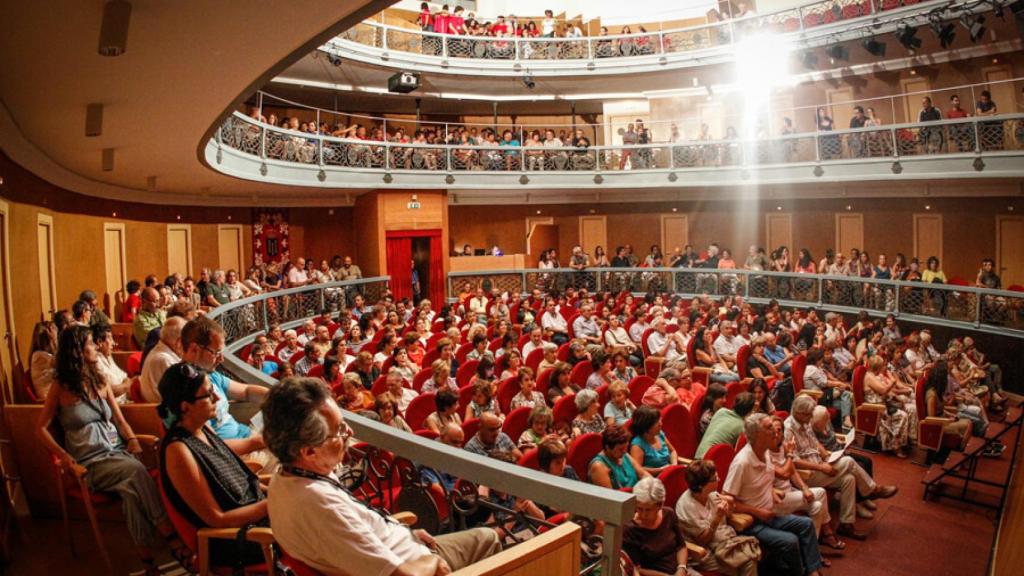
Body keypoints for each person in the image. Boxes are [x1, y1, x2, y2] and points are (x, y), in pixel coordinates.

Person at [262, 378, 502, 575]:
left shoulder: (283, 478)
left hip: (403, 545)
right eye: (340, 430)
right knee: (489, 538)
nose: (350, 433)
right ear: (309, 451)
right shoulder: (322, 506)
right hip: (416, 564)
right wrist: (431, 563)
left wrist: (404, 532)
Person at [36, 326, 193, 574]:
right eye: (90, 343)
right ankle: (171, 538)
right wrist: (64, 456)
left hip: (117, 453)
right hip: (89, 462)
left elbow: (119, 420)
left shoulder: (100, 381)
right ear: (77, 350)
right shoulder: (60, 388)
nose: (96, 347)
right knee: (135, 471)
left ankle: (147, 562)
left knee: (131, 490)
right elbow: (41, 429)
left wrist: (131, 438)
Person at [157, 363, 267, 568]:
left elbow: (243, 480)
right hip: (240, 540)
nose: (217, 399)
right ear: (185, 406)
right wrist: (273, 503)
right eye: (208, 395)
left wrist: (280, 492)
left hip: (257, 518)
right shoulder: (178, 451)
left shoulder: (202, 428)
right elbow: (217, 519)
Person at [723, 413, 823, 576]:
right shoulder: (742, 463)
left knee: (806, 525)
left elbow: (762, 479)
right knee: (790, 541)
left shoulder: (766, 451)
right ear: (756, 435)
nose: (776, 432)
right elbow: (727, 501)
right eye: (769, 428)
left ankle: (813, 571)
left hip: (771, 514)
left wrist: (771, 490)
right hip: (752, 523)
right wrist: (757, 512)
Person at [785, 396, 897, 540]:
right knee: (849, 461)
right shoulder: (788, 429)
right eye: (809, 414)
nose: (811, 417)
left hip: (820, 464)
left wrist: (826, 455)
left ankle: (846, 524)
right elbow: (793, 461)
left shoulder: (804, 422)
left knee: (849, 479)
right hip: (808, 474)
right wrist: (821, 467)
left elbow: (815, 442)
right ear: (799, 413)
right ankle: (872, 490)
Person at [178, 317, 268, 441]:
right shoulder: (183, 386)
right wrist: (262, 441)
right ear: (194, 349)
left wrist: (277, 398)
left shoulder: (210, 374)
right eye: (216, 353)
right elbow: (212, 448)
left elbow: (246, 391)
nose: (221, 360)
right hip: (241, 451)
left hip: (247, 435)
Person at [623, 477, 700, 576]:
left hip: (681, 570)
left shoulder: (669, 514)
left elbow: (681, 546)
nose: (643, 514)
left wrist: (681, 568)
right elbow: (636, 569)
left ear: (660, 505)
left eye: (648, 510)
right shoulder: (630, 529)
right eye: (639, 508)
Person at [863, 355, 913, 457]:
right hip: (875, 408)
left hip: (882, 405)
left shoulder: (874, 375)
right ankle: (895, 446)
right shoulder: (869, 377)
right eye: (881, 366)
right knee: (902, 416)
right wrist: (893, 382)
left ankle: (901, 443)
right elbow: (883, 390)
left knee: (903, 412)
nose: (882, 368)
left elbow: (885, 390)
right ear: (877, 367)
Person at [589, 425, 650, 490]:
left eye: (626, 447)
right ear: (608, 447)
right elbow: (610, 497)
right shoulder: (599, 467)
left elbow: (643, 474)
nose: (625, 451)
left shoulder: (624, 455)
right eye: (620, 449)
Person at [139, 317, 185, 403]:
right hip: (158, 413)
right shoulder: (164, 359)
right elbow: (185, 394)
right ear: (178, 342)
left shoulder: (161, 352)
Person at [696, 393, 755, 458]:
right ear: (750, 411)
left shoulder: (721, 411)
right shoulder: (742, 427)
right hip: (709, 464)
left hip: (697, 458)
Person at [629, 406, 678, 475]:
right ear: (646, 427)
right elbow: (638, 469)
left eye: (659, 420)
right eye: (656, 422)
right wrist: (661, 470)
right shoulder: (637, 445)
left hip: (669, 473)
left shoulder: (659, 434)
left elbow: (672, 451)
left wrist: (674, 464)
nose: (661, 424)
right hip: (653, 480)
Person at [29, 320, 58, 399]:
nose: (56, 333)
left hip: (54, 393)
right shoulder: (39, 356)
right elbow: (62, 364)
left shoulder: (43, 354)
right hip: (47, 397)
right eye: (54, 329)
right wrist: (54, 341)